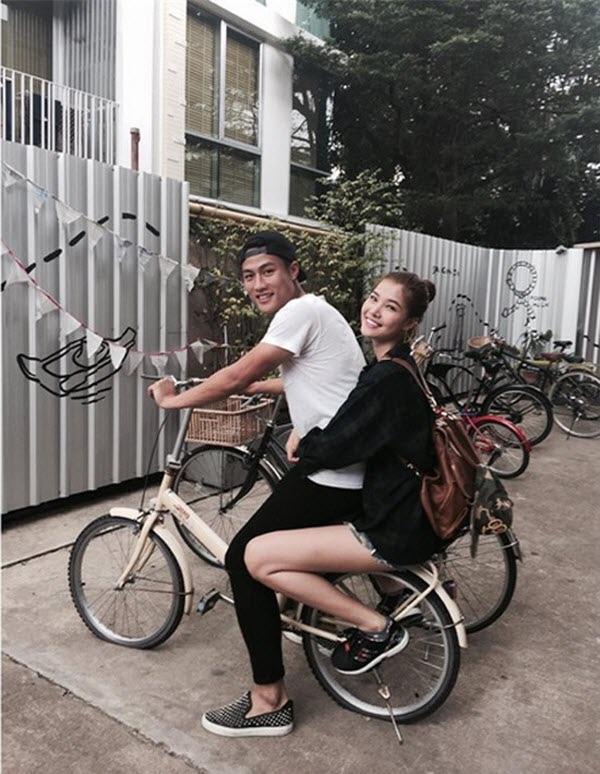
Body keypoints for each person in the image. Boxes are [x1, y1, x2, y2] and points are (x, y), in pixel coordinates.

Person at [199, 271, 442, 739]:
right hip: (400, 511)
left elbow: (339, 443)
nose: (374, 310)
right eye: (374, 298)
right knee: (275, 547)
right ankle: (364, 605)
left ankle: (370, 630)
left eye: (390, 307)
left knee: (251, 558)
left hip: (390, 526)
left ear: (409, 323)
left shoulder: (387, 378)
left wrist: (306, 441)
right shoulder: (395, 368)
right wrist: (297, 421)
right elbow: (351, 415)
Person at [148, 229, 370, 734]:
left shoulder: (298, 313)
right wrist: (258, 387)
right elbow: (306, 377)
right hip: (343, 462)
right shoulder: (318, 311)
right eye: (248, 276)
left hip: (334, 474)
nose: (256, 284)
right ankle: (311, 616)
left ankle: (269, 699)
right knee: (286, 541)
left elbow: (235, 374)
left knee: (242, 560)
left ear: (293, 270)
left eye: (267, 271)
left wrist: (173, 401)